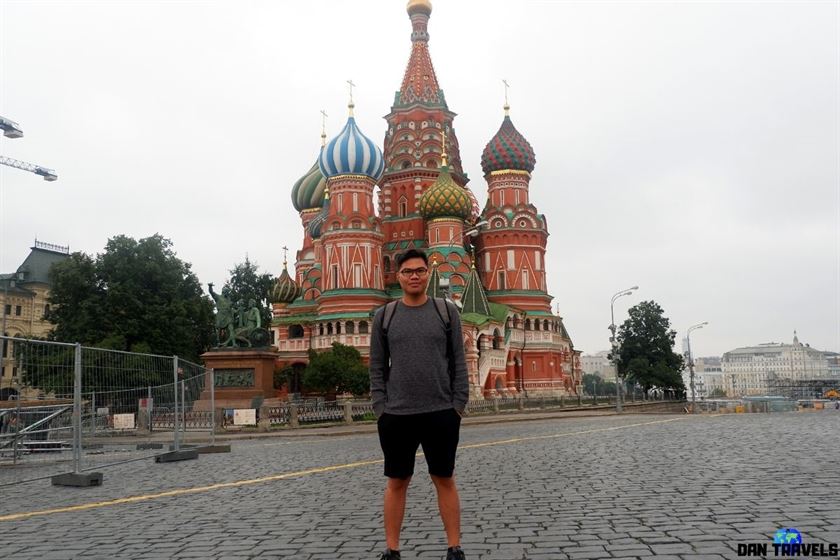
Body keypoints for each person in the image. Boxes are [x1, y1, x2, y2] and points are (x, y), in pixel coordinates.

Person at [369, 248, 469, 560]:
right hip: (396, 414)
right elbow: (376, 367)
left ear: (428, 274)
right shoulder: (385, 315)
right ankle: (392, 549)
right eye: (408, 271)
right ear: (397, 276)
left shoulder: (446, 311)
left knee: (444, 478)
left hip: (441, 412)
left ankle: (454, 547)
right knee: (397, 481)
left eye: (420, 271)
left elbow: (459, 361)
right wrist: (380, 409)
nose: (414, 276)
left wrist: (458, 406)